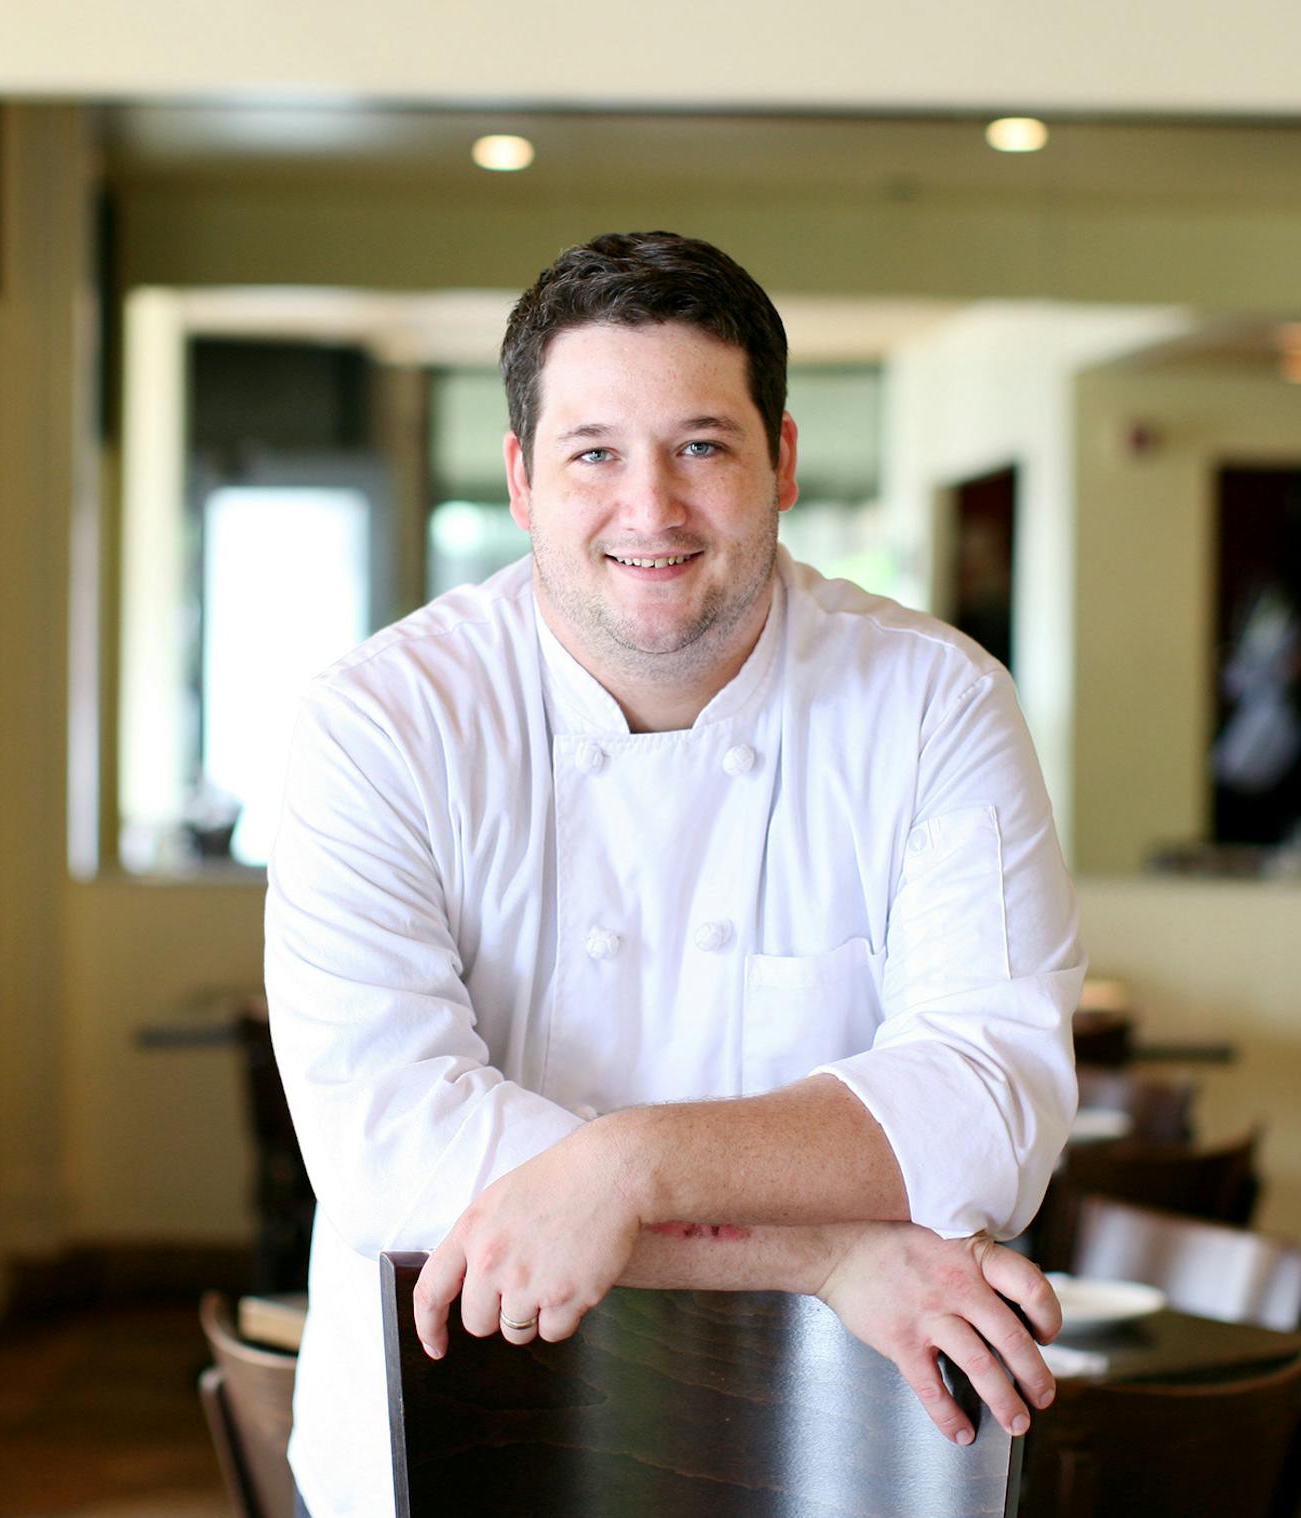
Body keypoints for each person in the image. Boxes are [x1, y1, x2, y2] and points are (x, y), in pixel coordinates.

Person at [265, 230, 1083, 1518]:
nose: (651, 508)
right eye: (596, 453)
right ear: (525, 481)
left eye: (702, 445)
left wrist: (623, 1169)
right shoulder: (382, 721)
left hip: (843, 1439)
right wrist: (822, 1249)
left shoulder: (935, 706)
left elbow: (990, 1110)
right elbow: (391, 1153)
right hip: (443, 1431)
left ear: (784, 464)